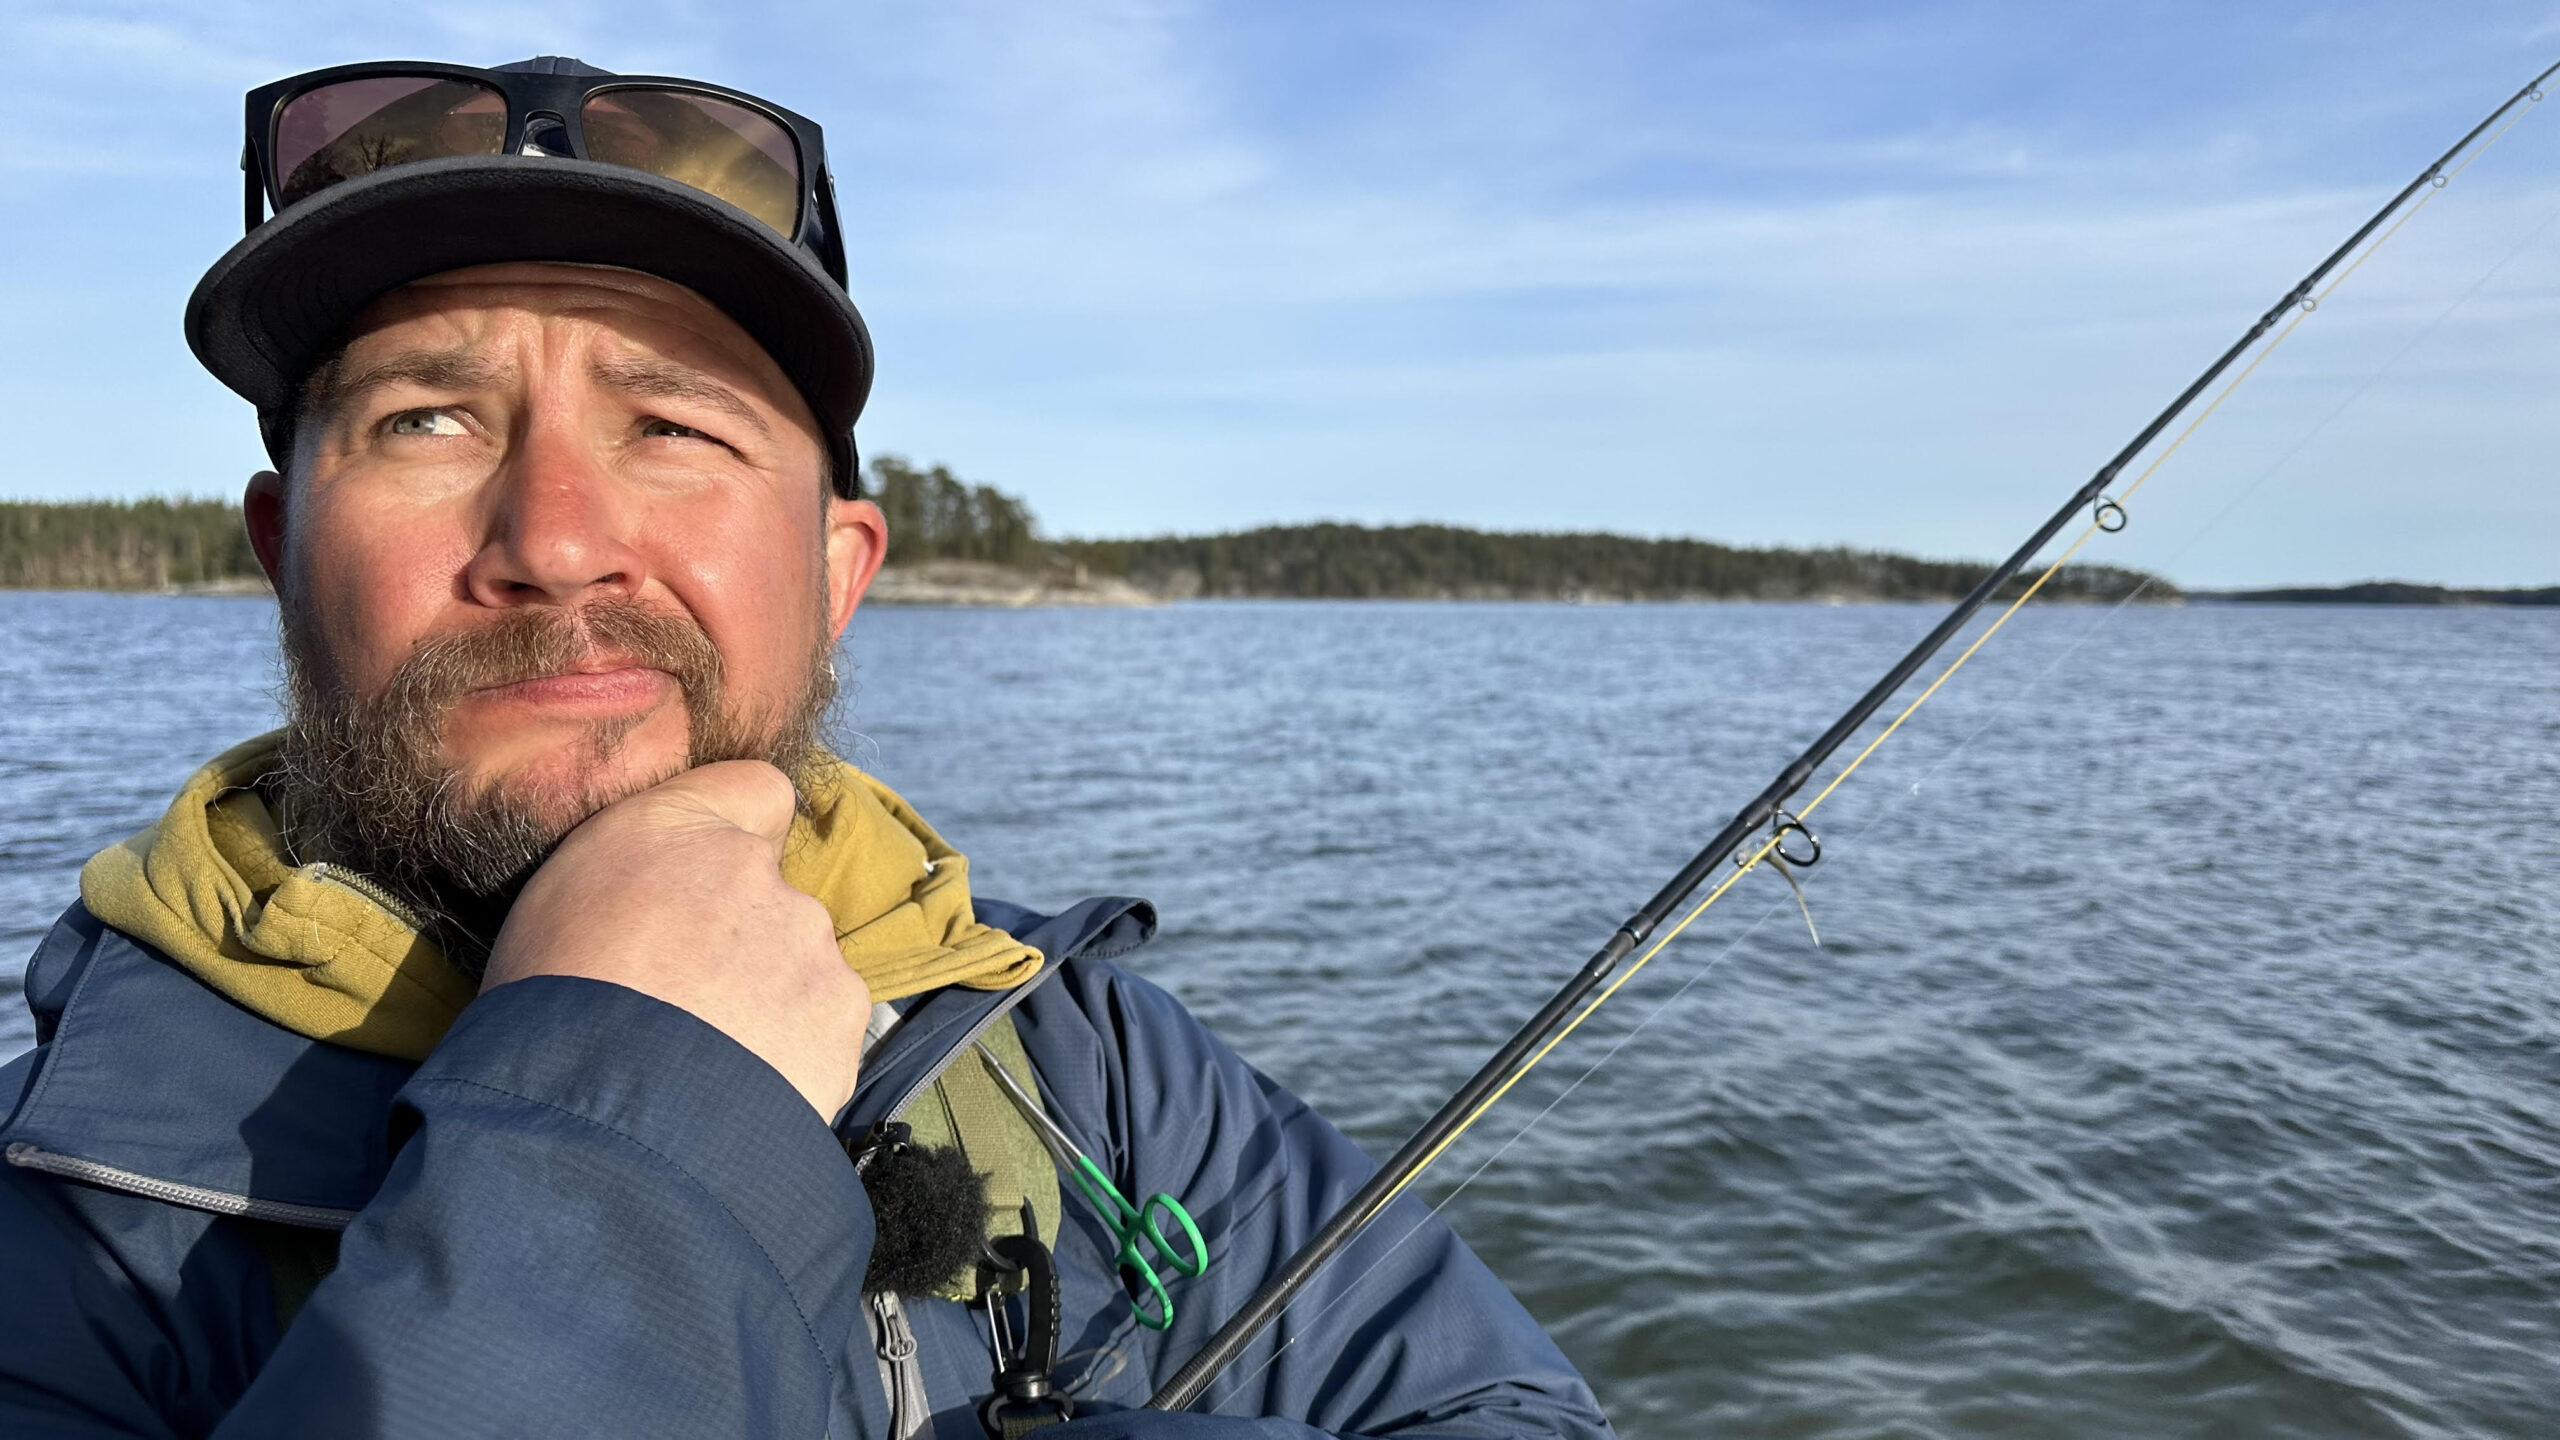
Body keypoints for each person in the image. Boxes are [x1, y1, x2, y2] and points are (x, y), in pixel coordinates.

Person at [0, 57, 1615, 1439]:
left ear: (838, 575)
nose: (555, 542)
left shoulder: (1082, 1055)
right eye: (426, 420)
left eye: (673, 426)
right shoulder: (60, 1221)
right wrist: (634, 1084)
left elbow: (1501, 1404)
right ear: (283, 551)